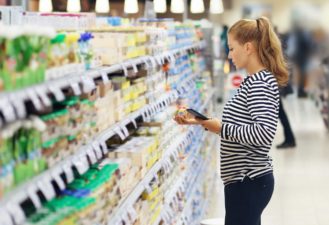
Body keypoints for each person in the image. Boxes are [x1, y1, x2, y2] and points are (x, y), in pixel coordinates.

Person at [174, 17, 288, 225]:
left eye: (232, 48)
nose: (229, 55)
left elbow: (263, 133)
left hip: (248, 181)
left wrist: (221, 128)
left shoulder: (259, 83)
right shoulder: (253, 80)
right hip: (244, 181)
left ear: (248, 47)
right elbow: (242, 126)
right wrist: (203, 121)